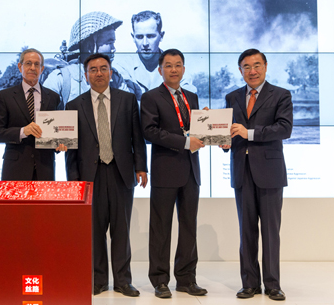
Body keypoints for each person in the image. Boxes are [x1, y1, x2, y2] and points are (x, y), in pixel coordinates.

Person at [66, 53, 148, 297]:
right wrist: (73, 181)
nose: (99, 73)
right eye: (93, 69)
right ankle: (97, 279)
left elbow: (137, 138)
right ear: (86, 75)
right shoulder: (74, 105)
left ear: (111, 72)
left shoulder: (128, 100)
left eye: (103, 68)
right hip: (90, 176)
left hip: (121, 173)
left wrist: (141, 167)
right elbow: (72, 147)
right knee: (95, 230)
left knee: (121, 229)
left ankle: (123, 280)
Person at [221, 49, 292, 301]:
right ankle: (249, 283)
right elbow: (229, 132)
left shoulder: (281, 95)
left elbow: (284, 129)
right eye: (246, 66)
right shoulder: (232, 96)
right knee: (246, 230)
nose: (252, 71)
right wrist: (223, 140)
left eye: (256, 65)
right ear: (240, 70)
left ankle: (273, 284)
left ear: (265, 66)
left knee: (271, 231)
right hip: (242, 171)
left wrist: (248, 132)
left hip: (270, 172)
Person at [140, 49, 207, 299]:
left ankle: (187, 279)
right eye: (169, 66)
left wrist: (209, 125)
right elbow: (150, 131)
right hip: (165, 170)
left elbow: (195, 130)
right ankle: (159, 280)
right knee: (161, 228)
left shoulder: (192, 96)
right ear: (160, 70)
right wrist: (183, 142)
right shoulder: (150, 97)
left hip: (191, 171)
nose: (174, 70)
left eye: (178, 65)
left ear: (184, 69)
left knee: (189, 227)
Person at [0, 48, 65, 181]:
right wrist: (23, 131)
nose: (32, 68)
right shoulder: (5, 96)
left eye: (37, 64)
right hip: (15, 169)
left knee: (43, 202)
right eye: (28, 63)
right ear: (20, 67)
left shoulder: (53, 97)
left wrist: (59, 145)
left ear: (42, 69)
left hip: (45, 169)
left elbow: (56, 132)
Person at [44, 11, 129, 107]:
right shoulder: (61, 79)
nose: (114, 48)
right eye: (109, 42)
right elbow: (42, 118)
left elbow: (127, 114)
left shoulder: (116, 79)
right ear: (89, 46)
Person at [116, 11, 196, 102]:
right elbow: (127, 106)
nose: (145, 43)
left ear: (161, 36)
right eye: (139, 37)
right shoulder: (123, 68)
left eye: (150, 36)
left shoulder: (177, 66)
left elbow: (187, 101)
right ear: (133, 37)